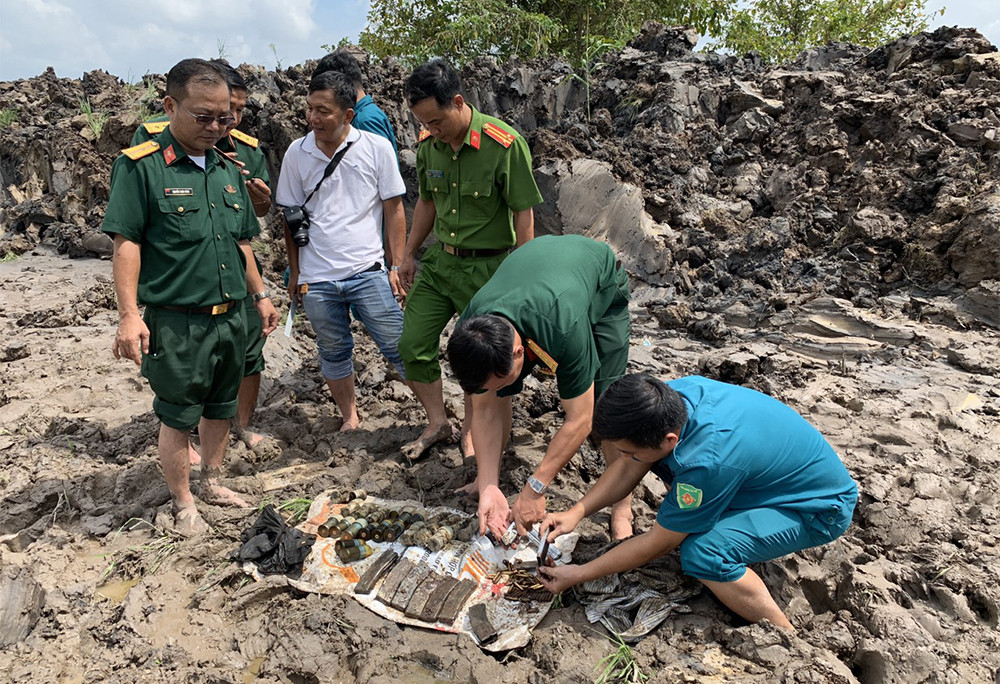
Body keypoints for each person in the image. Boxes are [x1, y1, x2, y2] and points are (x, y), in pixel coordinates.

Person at [103, 58, 279, 536]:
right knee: (178, 415)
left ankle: (213, 481)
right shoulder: (140, 167)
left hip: (231, 316)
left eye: (224, 117)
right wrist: (128, 315)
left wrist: (260, 296)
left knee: (221, 406)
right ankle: (183, 501)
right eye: (204, 117)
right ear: (170, 106)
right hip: (178, 320)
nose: (216, 127)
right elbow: (126, 242)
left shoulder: (227, 167)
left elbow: (242, 242)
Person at [537, 374, 859, 631]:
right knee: (675, 494)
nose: (623, 458)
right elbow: (628, 467)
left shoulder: (706, 462)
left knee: (703, 553)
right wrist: (576, 512)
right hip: (771, 478)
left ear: (670, 440)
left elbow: (658, 543)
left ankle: (782, 631)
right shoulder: (669, 399)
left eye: (629, 451)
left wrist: (580, 573)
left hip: (819, 507)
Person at [398, 58, 542, 461]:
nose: (432, 131)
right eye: (423, 123)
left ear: (458, 102)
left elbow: (524, 214)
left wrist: (521, 279)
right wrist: (408, 254)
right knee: (412, 344)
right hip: (440, 265)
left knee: (479, 357)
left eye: (436, 121)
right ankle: (437, 422)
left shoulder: (504, 144)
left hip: (488, 270)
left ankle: (473, 430)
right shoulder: (430, 147)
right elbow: (426, 203)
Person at [446, 234, 633, 540]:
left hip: (599, 280)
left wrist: (535, 488)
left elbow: (580, 419)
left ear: (519, 353)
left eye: (501, 382)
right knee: (492, 394)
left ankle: (622, 505)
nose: (494, 389)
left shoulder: (563, 326)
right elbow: (486, 410)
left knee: (608, 405)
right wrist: (488, 483)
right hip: (542, 275)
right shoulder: (471, 333)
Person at [132, 59, 274, 449]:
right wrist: (128, 312)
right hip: (183, 288)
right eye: (212, 114)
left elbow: (249, 224)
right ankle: (184, 436)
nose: (228, 122)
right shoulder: (153, 144)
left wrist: (261, 200)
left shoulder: (242, 153)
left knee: (247, 354)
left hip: (234, 277)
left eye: (234, 113)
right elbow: (138, 223)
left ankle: (237, 427)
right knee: (184, 375)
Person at [275, 71, 408, 431]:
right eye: (310, 109)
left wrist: (396, 266)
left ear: (348, 115)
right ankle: (350, 417)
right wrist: (295, 271)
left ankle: (436, 417)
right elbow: (290, 217)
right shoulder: (296, 152)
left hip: (367, 271)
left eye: (323, 111)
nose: (313, 118)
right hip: (317, 278)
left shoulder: (376, 148)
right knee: (333, 351)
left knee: (399, 345)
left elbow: (394, 209)